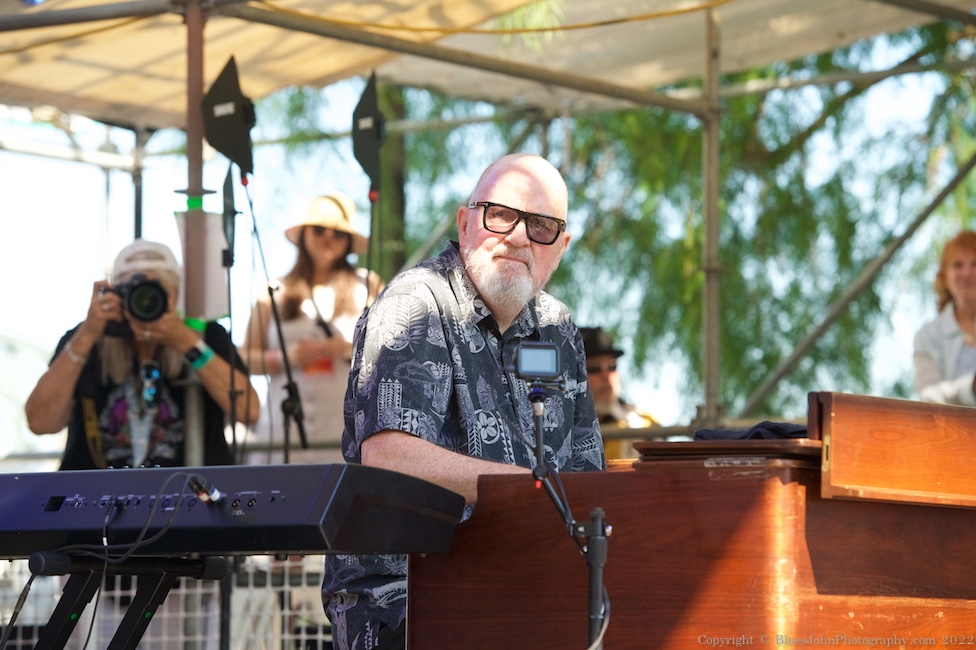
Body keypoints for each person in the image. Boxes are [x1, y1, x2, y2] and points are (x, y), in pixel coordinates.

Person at [322, 153, 606, 650]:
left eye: (541, 226)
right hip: (406, 601)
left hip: (526, 594)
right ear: (465, 221)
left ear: (560, 248)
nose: (518, 237)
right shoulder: (415, 305)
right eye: (501, 214)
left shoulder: (559, 330)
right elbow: (390, 458)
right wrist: (530, 488)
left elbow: (587, 485)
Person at [24, 238, 260, 649]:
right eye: (132, 286)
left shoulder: (203, 336)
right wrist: (88, 332)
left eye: (156, 287)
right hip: (93, 550)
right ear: (113, 293)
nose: (143, 297)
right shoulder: (86, 340)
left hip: (188, 548)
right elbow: (39, 420)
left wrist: (186, 341)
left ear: (176, 294)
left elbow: (249, 410)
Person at [243, 192, 383, 464]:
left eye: (338, 233)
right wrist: (286, 358)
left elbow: (393, 353)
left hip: (346, 436)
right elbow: (245, 358)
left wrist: (347, 350)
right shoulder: (272, 291)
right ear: (305, 234)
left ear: (348, 243)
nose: (328, 237)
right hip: (283, 436)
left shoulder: (369, 285)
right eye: (319, 230)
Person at [913, 230, 976, 405]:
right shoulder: (927, 336)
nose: (967, 273)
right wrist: (971, 387)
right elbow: (928, 397)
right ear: (945, 278)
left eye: (975, 264)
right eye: (958, 265)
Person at [580, 326, 657, 459]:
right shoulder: (551, 426)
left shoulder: (644, 426)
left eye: (612, 366)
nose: (606, 375)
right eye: (593, 368)